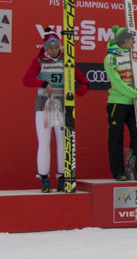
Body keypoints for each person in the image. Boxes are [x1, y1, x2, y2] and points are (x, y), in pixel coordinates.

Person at [22, 31, 89, 192]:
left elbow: (84, 80)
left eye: (56, 47)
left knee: (62, 143)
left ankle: (62, 177)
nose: (53, 50)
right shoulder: (39, 61)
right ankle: (44, 178)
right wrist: (44, 83)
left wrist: (81, 90)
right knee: (44, 142)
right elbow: (27, 80)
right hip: (45, 104)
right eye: (50, 48)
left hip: (61, 105)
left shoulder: (67, 60)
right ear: (45, 48)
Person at [104, 25, 137, 181]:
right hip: (117, 102)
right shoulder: (111, 57)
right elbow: (116, 82)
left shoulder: (134, 56)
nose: (134, 41)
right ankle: (118, 172)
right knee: (116, 137)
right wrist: (136, 94)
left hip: (134, 103)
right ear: (123, 40)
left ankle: (132, 170)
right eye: (131, 39)